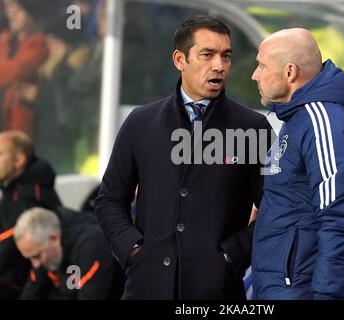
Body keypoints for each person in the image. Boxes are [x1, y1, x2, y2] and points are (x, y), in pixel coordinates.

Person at [95, 16, 272, 299]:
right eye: (207, 55)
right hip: (146, 287)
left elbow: (274, 207)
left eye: (226, 56)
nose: (219, 65)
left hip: (216, 290)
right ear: (180, 60)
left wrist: (231, 257)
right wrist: (133, 251)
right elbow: (109, 200)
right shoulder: (140, 122)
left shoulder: (253, 127)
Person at [251, 28, 344, 299]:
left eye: (261, 66)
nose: (254, 75)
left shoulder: (323, 122)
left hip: (303, 290)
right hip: (282, 287)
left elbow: (339, 220)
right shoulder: (296, 119)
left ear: (290, 72)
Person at [14, 206, 124, 299]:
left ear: (54, 237)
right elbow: (33, 289)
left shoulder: (92, 245)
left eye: (37, 256)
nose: (36, 264)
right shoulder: (46, 246)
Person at [0, 130, 61, 299]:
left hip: (25, 284)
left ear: (19, 160)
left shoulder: (30, 195)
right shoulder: (12, 187)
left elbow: (10, 242)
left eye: (0, 155)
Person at [0, 0, 48, 136]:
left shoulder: (39, 44)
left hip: (22, 126)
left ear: (31, 13)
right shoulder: (6, 41)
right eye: (9, 8)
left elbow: (15, 71)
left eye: (17, 9)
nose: (11, 14)